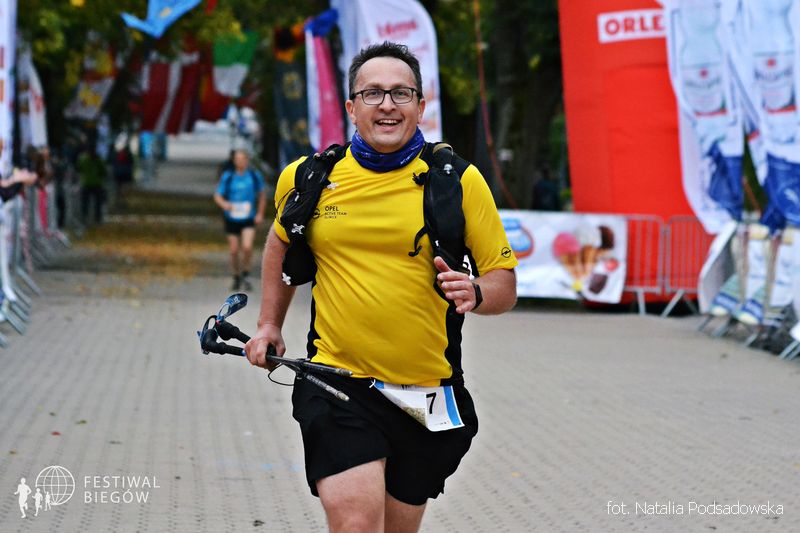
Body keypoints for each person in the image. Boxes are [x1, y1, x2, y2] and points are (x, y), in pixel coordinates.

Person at [245, 42, 518, 532]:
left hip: (426, 392)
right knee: (356, 522)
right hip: (337, 382)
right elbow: (280, 243)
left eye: (400, 93)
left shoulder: (456, 181)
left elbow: (504, 283)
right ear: (352, 107)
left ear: (420, 105)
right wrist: (269, 324)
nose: (387, 104)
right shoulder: (310, 177)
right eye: (372, 93)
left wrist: (476, 292)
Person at [213, 149, 267, 291]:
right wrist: (224, 204)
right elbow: (218, 196)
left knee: (247, 247)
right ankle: (236, 276)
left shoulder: (254, 176)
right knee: (234, 250)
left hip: (248, 217)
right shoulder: (228, 176)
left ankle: (246, 274)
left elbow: (262, 195)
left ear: (247, 160)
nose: (240, 162)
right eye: (237, 159)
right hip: (231, 217)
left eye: (243, 159)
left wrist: (260, 214)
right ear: (234, 161)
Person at [77, 144, 108, 224]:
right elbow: (104, 171)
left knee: (86, 202)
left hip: (87, 183)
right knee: (97, 202)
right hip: (96, 183)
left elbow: (79, 168)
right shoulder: (98, 159)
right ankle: (96, 218)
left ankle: (85, 217)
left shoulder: (84, 159)